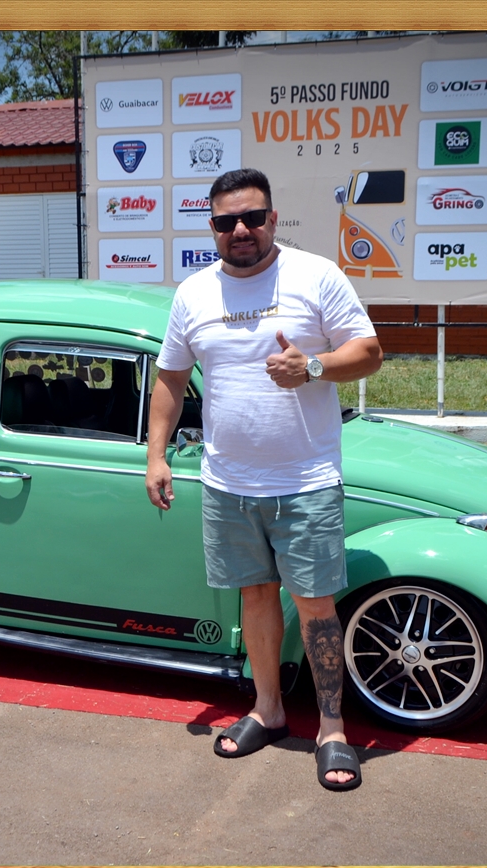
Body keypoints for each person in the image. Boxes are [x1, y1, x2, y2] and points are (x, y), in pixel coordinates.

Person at [145, 168, 384, 793]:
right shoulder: (194, 293)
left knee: (316, 605)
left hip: (305, 479)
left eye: (253, 217)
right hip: (228, 482)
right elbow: (171, 377)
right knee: (254, 598)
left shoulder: (315, 276)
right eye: (226, 221)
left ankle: (332, 728)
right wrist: (156, 456)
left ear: (273, 219)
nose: (241, 230)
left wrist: (313, 367)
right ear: (212, 227)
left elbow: (369, 353)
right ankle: (269, 710)